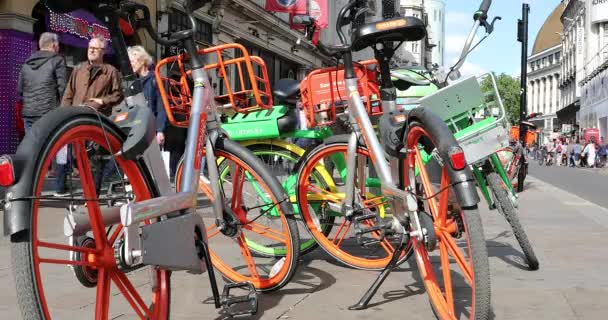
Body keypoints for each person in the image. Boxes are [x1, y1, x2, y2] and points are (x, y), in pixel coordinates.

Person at [57, 35, 124, 196]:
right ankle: (87, 191)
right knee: (76, 159)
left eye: (95, 49)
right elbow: (68, 93)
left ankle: (92, 196)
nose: (92, 51)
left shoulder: (111, 71)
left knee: (95, 160)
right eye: (90, 48)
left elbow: (118, 94)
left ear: (104, 51)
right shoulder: (78, 69)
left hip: (96, 120)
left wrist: (103, 100)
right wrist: (63, 114)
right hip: (76, 119)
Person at [17, 32, 66, 134]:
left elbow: (20, 89)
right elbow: (62, 89)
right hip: (48, 113)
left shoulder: (27, 63)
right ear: (54, 45)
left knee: (31, 145)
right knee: (46, 146)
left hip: (29, 113)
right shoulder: (57, 60)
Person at [127, 46, 167, 145]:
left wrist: (160, 130)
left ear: (141, 61)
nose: (130, 65)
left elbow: (161, 107)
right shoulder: (132, 83)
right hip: (136, 130)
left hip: (151, 129)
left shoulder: (155, 79)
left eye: (132, 61)